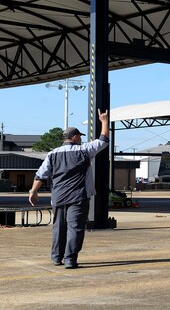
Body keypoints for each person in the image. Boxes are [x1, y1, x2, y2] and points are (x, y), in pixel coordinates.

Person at [28, 109, 109, 269]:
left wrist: (33, 192)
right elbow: (103, 140)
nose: (80, 139)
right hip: (78, 197)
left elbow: (40, 175)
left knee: (58, 227)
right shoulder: (84, 150)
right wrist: (104, 121)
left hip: (57, 197)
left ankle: (56, 258)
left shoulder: (52, 154)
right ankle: (70, 259)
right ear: (75, 137)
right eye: (79, 136)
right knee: (75, 228)